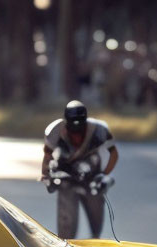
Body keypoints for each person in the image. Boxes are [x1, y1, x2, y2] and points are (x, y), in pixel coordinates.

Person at [41, 100, 119, 239]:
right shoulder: (56, 130)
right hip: (67, 180)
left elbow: (114, 154)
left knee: (96, 224)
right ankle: (67, 246)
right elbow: (47, 155)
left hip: (91, 179)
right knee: (66, 228)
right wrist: (46, 174)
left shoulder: (99, 130)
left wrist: (104, 175)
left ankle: (95, 243)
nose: (76, 134)